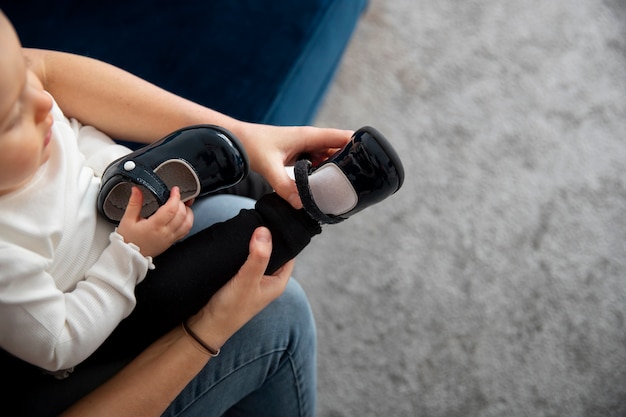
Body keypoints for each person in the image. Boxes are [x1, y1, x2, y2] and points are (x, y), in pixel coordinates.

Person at [0, 10, 403, 417]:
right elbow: (60, 340)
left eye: (22, 73)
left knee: (226, 191)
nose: (42, 101)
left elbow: (75, 130)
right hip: (105, 311)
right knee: (246, 260)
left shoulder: (37, 123)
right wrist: (129, 255)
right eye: (10, 115)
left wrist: (127, 174)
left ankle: (277, 178)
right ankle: (303, 213)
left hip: (120, 221)